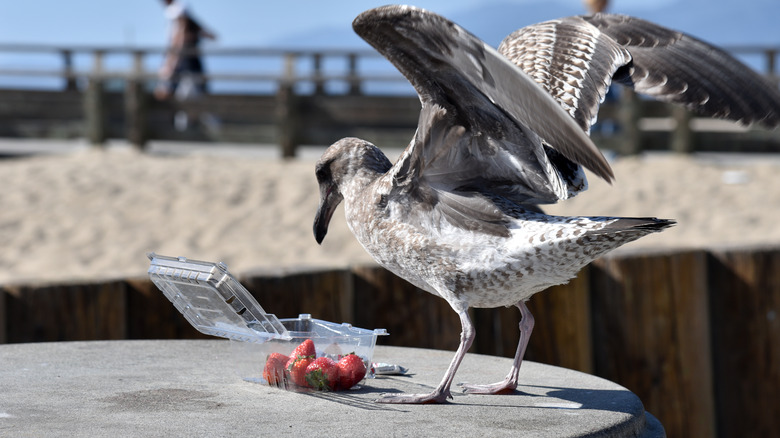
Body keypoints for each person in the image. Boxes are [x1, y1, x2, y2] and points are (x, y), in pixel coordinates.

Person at [155, 0, 218, 131]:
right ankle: (207, 124)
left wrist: (171, 61)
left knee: (173, 91)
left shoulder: (176, 10)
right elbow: (192, 27)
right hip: (189, 57)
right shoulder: (180, 10)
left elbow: (179, 36)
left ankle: (174, 128)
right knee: (198, 92)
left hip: (183, 58)